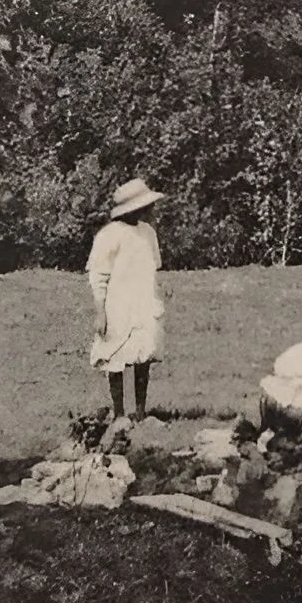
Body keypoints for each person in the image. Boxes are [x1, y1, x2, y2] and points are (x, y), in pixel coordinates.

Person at [87, 177, 168, 424]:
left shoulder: (148, 234)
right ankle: (120, 413)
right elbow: (98, 276)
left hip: (143, 302)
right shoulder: (109, 235)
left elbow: (153, 267)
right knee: (115, 357)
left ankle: (141, 412)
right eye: (148, 206)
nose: (152, 210)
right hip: (118, 305)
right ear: (135, 208)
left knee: (143, 357)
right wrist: (100, 312)